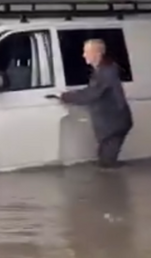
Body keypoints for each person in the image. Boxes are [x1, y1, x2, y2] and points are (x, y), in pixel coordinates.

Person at [53, 39, 134, 168]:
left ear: (97, 53)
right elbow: (91, 91)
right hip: (112, 123)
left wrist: (64, 96)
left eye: (86, 52)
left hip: (113, 125)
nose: (83, 55)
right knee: (105, 161)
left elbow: (91, 94)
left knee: (106, 164)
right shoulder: (104, 69)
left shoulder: (106, 72)